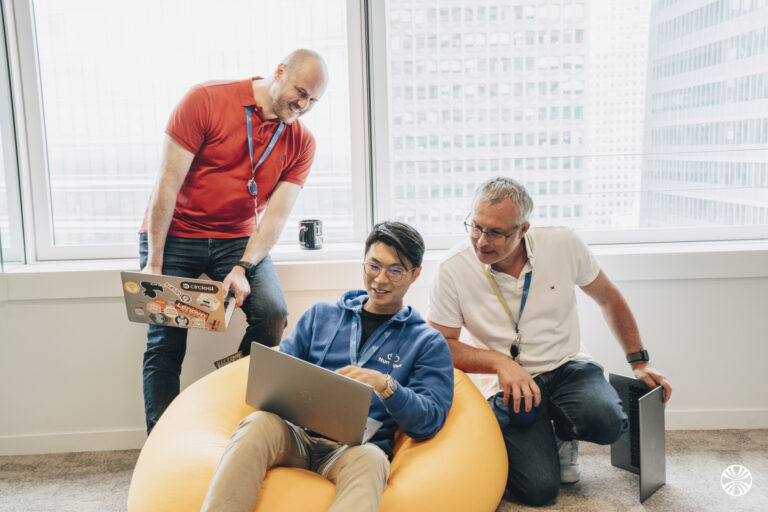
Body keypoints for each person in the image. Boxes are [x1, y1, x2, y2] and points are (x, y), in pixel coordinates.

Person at [428, 176, 672, 506]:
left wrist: (639, 362)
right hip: (507, 386)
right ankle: (535, 432)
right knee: (539, 491)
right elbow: (441, 344)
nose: (482, 241)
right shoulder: (452, 268)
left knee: (608, 422)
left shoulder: (563, 243)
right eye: (476, 226)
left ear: (523, 230)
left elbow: (608, 298)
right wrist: (500, 363)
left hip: (567, 366)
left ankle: (561, 434)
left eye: (496, 232)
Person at [200, 221, 454, 512]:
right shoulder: (320, 315)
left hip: (355, 451)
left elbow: (429, 421)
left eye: (395, 271)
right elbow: (280, 374)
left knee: (372, 460)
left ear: (415, 274)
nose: (380, 279)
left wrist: (386, 386)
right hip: (296, 436)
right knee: (257, 424)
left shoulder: (427, 342)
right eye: (373, 266)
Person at [138, 49, 329, 433]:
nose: (303, 105)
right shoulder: (205, 99)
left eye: (313, 100)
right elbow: (167, 184)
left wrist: (243, 267)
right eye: (300, 92)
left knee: (272, 314)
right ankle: (161, 441)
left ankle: (237, 406)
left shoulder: (302, 142)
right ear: (279, 71)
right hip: (176, 233)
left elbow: (275, 218)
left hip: (237, 239)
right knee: (165, 342)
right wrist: (154, 263)